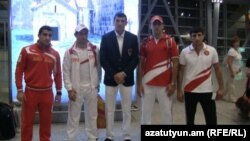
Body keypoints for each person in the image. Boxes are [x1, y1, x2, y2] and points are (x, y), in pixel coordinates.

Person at [15, 25, 62, 141]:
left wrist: (59, 92)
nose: (47, 37)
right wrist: (20, 90)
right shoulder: (26, 50)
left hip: (47, 93)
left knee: (46, 124)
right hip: (30, 92)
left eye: (50, 35)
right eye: (45, 35)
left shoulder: (55, 54)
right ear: (39, 35)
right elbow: (19, 70)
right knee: (27, 123)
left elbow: (58, 74)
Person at [100, 12, 139, 141]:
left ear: (126, 23)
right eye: (118, 21)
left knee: (126, 110)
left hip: (127, 79)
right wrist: (114, 74)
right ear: (114, 22)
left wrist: (124, 73)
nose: (120, 23)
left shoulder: (133, 38)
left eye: (123, 21)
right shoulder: (106, 38)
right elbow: (103, 59)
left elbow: (135, 59)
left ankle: (126, 136)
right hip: (111, 79)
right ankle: (109, 136)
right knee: (109, 109)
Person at [137, 15, 179, 124]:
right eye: (154, 24)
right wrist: (139, 83)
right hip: (147, 83)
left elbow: (175, 63)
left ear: (163, 26)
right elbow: (140, 64)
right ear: (150, 26)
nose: (156, 26)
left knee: (166, 113)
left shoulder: (170, 41)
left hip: (165, 85)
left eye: (158, 24)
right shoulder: (145, 42)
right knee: (146, 113)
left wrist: (173, 83)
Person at [177, 27, 224, 125]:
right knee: (190, 120)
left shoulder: (212, 51)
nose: (197, 38)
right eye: (194, 36)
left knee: (211, 120)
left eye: (199, 35)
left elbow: (218, 69)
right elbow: (180, 71)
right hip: (190, 91)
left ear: (203, 36)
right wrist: (179, 90)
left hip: (207, 91)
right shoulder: (185, 52)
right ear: (190, 38)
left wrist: (221, 88)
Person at [63, 24, 101, 141]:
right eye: (80, 33)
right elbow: (65, 71)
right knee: (73, 117)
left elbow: (98, 68)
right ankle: (71, 138)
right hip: (76, 89)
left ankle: (92, 137)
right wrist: (69, 89)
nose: (83, 36)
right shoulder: (69, 52)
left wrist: (97, 83)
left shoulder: (95, 49)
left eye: (85, 33)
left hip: (91, 88)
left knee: (92, 115)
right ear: (75, 35)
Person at [224, 36, 242, 102]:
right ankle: (232, 97)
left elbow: (238, 60)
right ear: (233, 43)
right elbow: (229, 62)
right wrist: (231, 72)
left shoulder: (238, 50)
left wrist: (239, 68)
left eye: (238, 42)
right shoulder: (231, 51)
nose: (238, 43)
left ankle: (222, 94)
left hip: (236, 68)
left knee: (228, 83)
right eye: (236, 42)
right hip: (230, 68)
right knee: (231, 84)